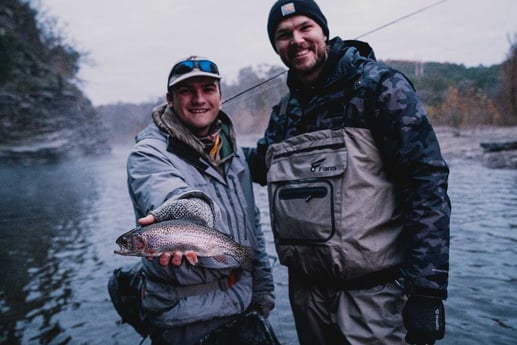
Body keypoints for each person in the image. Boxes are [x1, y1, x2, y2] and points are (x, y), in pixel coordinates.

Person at [243, 1, 451, 344]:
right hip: (306, 297)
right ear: (276, 46)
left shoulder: (378, 86)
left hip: (374, 297)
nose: (296, 40)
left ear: (324, 31)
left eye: (305, 28)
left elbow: (425, 184)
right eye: (283, 35)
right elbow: (262, 165)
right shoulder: (285, 110)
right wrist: (212, 143)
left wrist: (427, 291)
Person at [109, 56, 275, 345]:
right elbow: (165, 190)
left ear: (220, 96)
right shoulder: (148, 153)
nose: (199, 98)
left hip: (244, 305)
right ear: (170, 98)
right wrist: (183, 212)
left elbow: (254, 227)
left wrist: (263, 292)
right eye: (187, 90)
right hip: (184, 320)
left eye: (208, 89)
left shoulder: (233, 154)